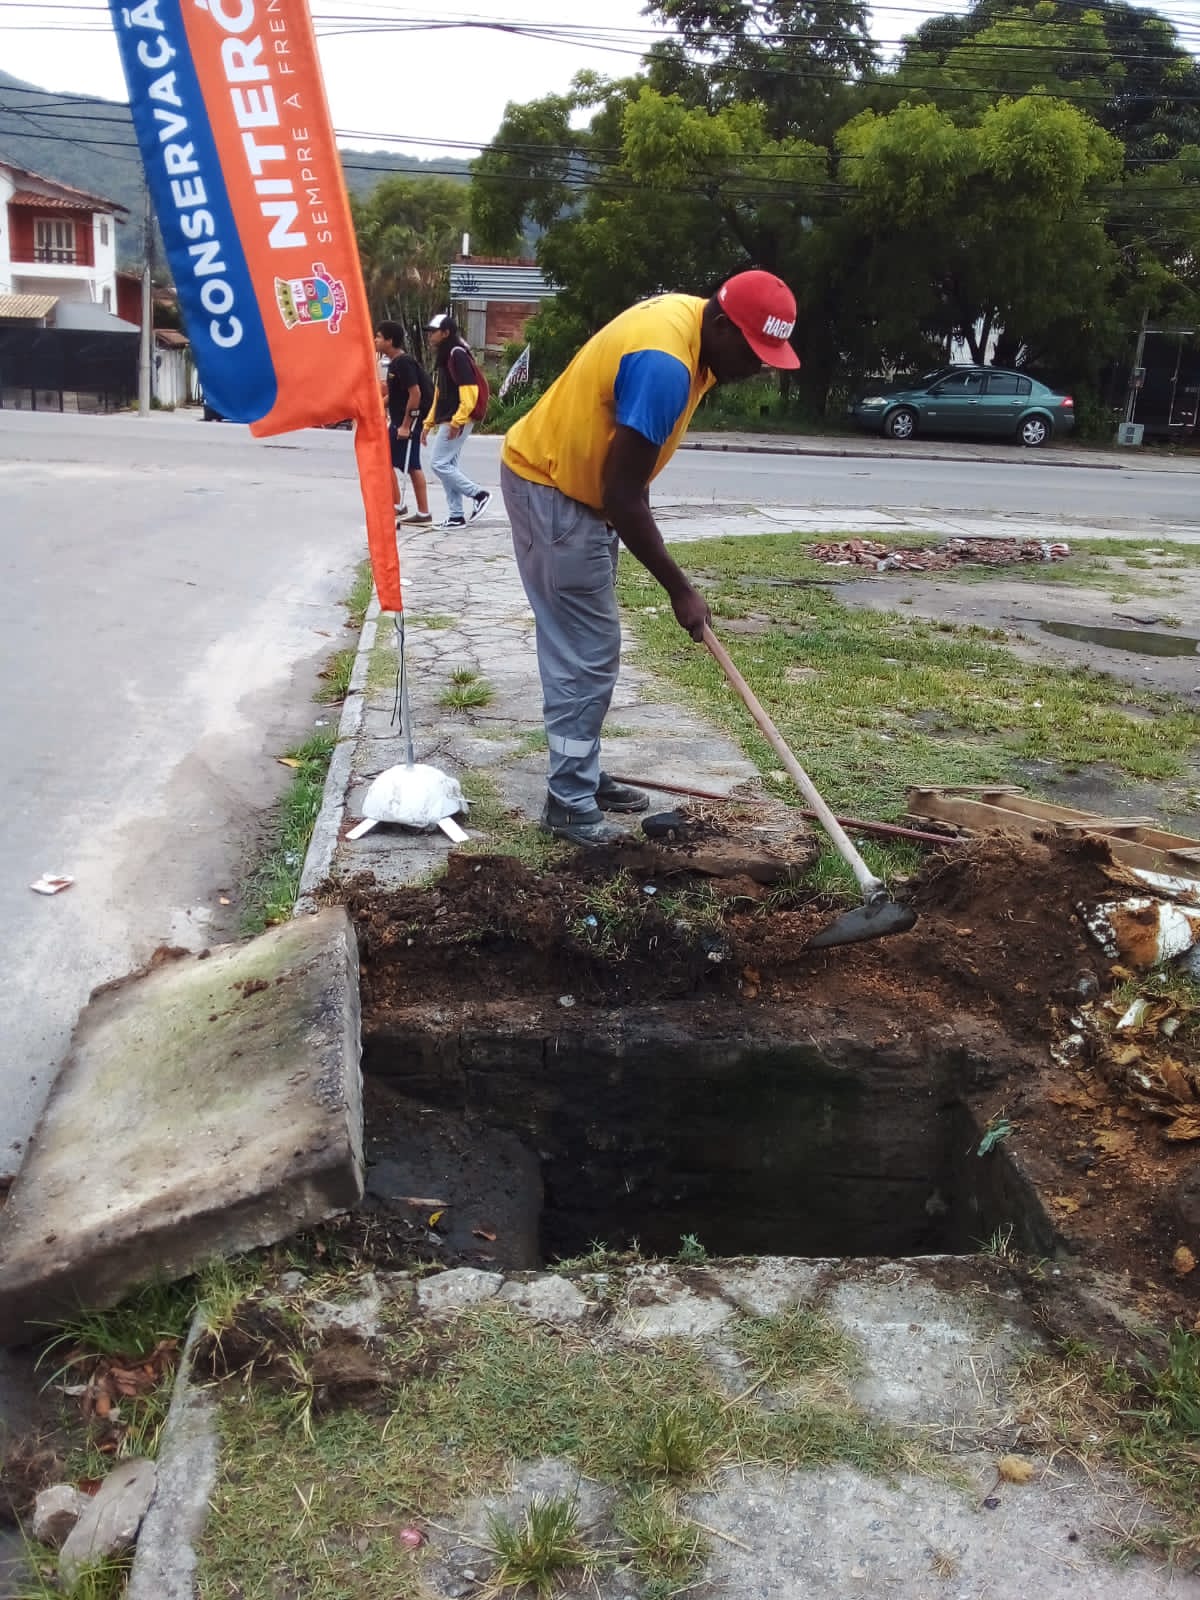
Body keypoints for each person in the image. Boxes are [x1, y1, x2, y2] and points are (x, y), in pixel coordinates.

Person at [501, 269, 801, 846]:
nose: (758, 368)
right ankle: (568, 801)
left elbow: (626, 485)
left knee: (587, 648)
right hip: (556, 491)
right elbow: (623, 494)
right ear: (721, 324)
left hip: (579, 492)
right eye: (754, 352)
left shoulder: (691, 326)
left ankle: (579, 773)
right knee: (586, 653)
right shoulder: (665, 363)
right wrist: (680, 589)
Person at [422, 313, 491, 528]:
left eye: (433, 332)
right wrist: (428, 423)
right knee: (448, 465)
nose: (430, 336)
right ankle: (456, 516)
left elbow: (470, 391)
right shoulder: (446, 356)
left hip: (457, 418)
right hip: (450, 417)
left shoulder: (457, 354)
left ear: (446, 333)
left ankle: (478, 494)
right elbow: (439, 393)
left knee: (438, 463)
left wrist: (457, 421)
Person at [374, 322, 433, 527]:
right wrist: (378, 406)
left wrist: (407, 425)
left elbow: (415, 393)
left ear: (390, 341)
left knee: (413, 466)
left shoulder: (403, 363)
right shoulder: (393, 364)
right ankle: (396, 504)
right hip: (398, 421)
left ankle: (423, 513)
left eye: (379, 336)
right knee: (385, 459)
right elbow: (396, 394)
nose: (375, 340)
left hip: (409, 422)